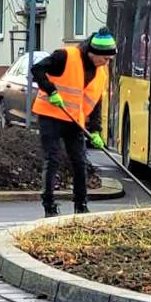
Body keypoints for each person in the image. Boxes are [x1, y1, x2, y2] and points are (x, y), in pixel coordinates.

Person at [29, 27, 117, 217]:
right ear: (94, 53)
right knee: (53, 159)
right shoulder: (65, 56)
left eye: (110, 59)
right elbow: (37, 69)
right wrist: (51, 91)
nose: (107, 62)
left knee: (79, 162)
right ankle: (49, 205)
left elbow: (96, 103)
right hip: (51, 114)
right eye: (106, 58)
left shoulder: (101, 72)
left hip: (74, 121)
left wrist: (96, 131)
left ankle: (81, 205)